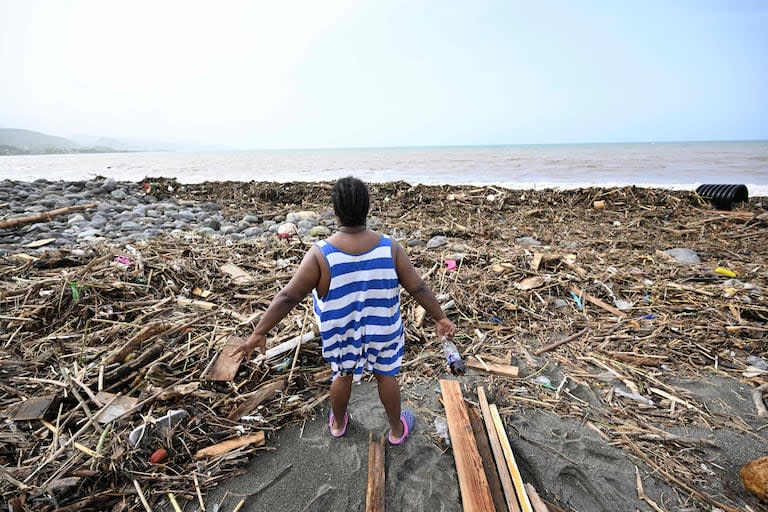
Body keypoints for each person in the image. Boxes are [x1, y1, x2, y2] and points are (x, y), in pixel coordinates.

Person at [232, 176, 456, 445]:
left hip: (342, 332)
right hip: (383, 328)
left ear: (335, 211)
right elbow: (417, 287)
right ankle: (396, 430)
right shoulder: (389, 247)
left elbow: (289, 295)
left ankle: (338, 423)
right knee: (387, 375)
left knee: (343, 374)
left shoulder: (321, 254)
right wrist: (440, 317)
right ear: (367, 208)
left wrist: (260, 331)